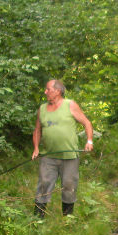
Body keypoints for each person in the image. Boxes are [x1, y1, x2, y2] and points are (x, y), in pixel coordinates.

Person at [32, 79, 94, 217]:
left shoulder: (70, 105)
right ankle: (37, 220)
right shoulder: (42, 109)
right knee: (43, 185)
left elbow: (87, 123)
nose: (45, 92)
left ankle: (67, 220)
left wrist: (89, 141)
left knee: (69, 187)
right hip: (48, 156)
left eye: (48, 89)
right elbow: (37, 130)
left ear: (58, 91)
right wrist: (36, 148)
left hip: (69, 157)